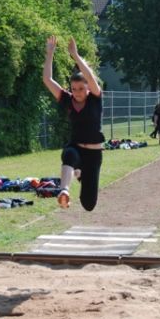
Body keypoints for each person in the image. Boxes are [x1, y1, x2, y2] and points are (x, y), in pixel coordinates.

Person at [43, 35, 104, 211]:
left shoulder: (95, 98)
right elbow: (47, 80)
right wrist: (50, 54)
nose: (77, 92)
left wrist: (75, 56)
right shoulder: (67, 100)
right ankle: (64, 190)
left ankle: (80, 173)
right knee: (69, 154)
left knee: (88, 204)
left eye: (81, 89)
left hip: (93, 154)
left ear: (88, 88)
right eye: (74, 89)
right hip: (76, 147)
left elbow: (90, 77)